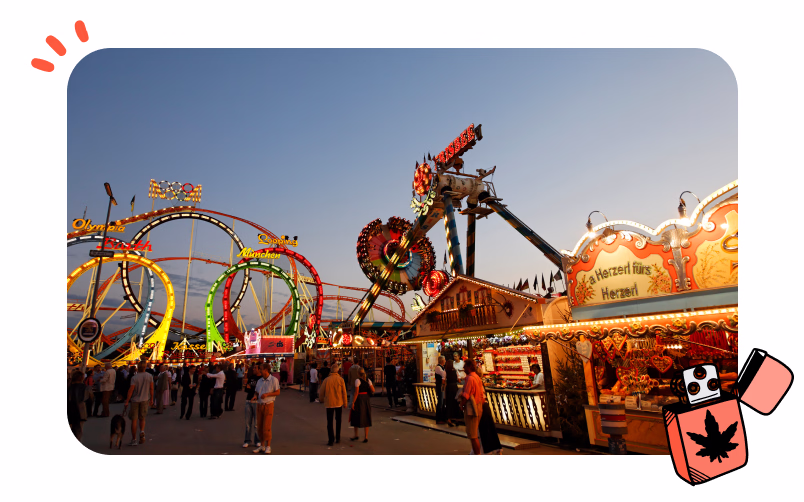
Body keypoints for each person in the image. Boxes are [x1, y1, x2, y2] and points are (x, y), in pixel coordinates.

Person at [125, 361, 154, 446]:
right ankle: (142, 431)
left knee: (134, 420)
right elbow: (151, 389)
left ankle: (134, 439)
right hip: (145, 399)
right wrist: (152, 399)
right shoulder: (149, 376)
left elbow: (131, 390)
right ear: (145, 367)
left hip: (135, 400)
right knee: (142, 418)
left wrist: (127, 400)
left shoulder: (134, 377)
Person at [253, 362, 280, 454]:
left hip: (268, 404)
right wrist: (255, 396)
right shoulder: (260, 380)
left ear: (265, 370)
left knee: (267, 426)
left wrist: (268, 394)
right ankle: (262, 445)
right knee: (259, 426)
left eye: (261, 369)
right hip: (260, 404)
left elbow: (277, 392)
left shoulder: (274, 380)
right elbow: (256, 391)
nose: (259, 370)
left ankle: (268, 446)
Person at [318, 362, 347, 446]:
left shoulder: (326, 380)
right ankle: (338, 438)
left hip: (329, 403)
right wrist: (345, 403)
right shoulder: (341, 380)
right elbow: (344, 393)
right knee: (338, 421)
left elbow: (321, 392)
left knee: (329, 422)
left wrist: (321, 400)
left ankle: (331, 440)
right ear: (338, 371)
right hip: (339, 402)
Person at [459, 359, 484, 454]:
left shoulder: (470, 378)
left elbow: (466, 394)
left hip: (472, 408)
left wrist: (461, 404)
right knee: (474, 433)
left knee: (473, 435)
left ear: (469, 367)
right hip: (478, 407)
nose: (463, 368)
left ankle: (477, 454)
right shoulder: (477, 377)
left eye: (465, 366)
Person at [349, 368, 374, 442]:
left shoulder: (357, 380)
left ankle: (356, 435)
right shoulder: (368, 380)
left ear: (358, 373)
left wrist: (353, 402)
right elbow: (373, 390)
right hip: (366, 399)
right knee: (366, 416)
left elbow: (356, 393)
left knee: (355, 416)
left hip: (359, 399)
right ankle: (366, 437)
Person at [67, 370, 91, 440]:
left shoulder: (69, 387)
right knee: (79, 429)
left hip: (69, 409)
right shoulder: (85, 387)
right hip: (81, 410)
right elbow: (88, 399)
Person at [242, 364, 261, 448]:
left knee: (256, 423)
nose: (253, 369)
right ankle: (247, 440)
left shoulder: (261, 379)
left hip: (257, 402)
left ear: (259, 369)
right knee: (247, 423)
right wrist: (251, 389)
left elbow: (259, 391)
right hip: (248, 400)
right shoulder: (251, 377)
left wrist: (251, 389)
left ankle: (257, 440)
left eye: (255, 368)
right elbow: (246, 389)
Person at [444, 359, 460, 427]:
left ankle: (449, 419)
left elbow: (443, 380)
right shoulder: (456, 371)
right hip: (455, 387)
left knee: (449, 403)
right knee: (456, 402)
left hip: (449, 387)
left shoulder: (445, 371)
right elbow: (459, 380)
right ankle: (457, 419)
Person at [434, 356, 447, 424]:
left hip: (441, 386)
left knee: (442, 402)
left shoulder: (441, 367)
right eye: (444, 360)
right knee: (440, 401)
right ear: (442, 361)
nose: (445, 361)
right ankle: (439, 419)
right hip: (440, 386)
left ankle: (442, 418)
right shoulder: (438, 367)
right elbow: (443, 375)